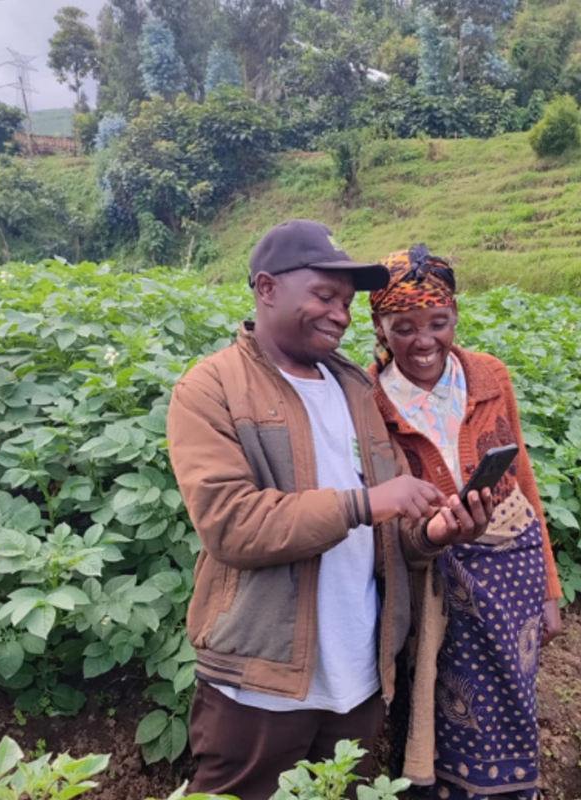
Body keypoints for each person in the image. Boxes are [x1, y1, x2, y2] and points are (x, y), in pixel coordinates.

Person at [165, 220, 499, 800]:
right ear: (267, 289)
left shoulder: (354, 387)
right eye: (324, 296)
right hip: (262, 685)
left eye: (346, 302)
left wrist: (435, 533)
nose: (341, 315)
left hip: (360, 678)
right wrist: (366, 503)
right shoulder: (210, 388)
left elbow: (394, 530)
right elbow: (231, 525)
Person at [367, 246, 564, 800]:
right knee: (438, 704)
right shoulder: (370, 400)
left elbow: (523, 480)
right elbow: (383, 514)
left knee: (513, 699)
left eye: (438, 322)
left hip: (514, 572)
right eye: (403, 327)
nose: (424, 341)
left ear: (455, 317)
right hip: (435, 577)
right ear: (380, 327)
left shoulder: (488, 374)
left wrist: (549, 587)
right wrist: (439, 533)